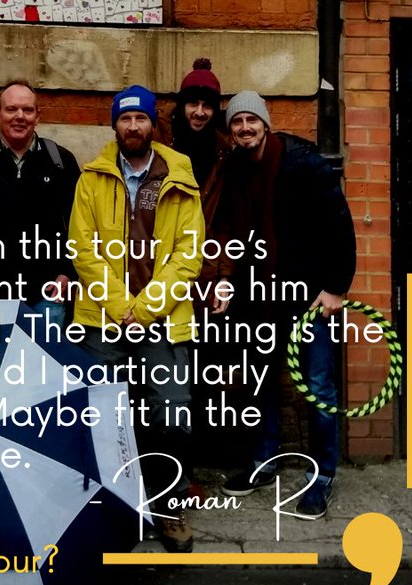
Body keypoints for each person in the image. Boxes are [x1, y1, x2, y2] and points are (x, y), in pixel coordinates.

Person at [69, 85, 205, 552]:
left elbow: (189, 256)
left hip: (162, 319)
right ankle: (111, 508)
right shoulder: (92, 178)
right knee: (102, 416)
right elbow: (82, 249)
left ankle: (169, 508)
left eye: (140, 119)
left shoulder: (180, 179)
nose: (133, 127)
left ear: (153, 125)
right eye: (125, 120)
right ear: (115, 125)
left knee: (172, 413)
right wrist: (119, 307)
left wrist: (143, 309)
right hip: (105, 320)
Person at [214, 91, 356, 519]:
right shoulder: (234, 169)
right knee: (261, 385)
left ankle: (323, 477)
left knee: (317, 389)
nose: (244, 129)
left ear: (265, 124)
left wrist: (335, 288)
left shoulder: (302, 162)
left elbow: (340, 226)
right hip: (259, 299)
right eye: (237, 122)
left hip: (308, 297)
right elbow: (228, 233)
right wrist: (225, 280)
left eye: (251, 121)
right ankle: (263, 461)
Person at [0, 80, 80, 318]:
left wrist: (66, 274)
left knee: (44, 356)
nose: (19, 116)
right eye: (11, 109)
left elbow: (79, 224)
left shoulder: (60, 160)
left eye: (27, 110)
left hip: (46, 294)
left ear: (37, 116)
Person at [170, 57, 232, 230]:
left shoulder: (223, 152)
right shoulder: (162, 142)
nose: (199, 112)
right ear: (182, 106)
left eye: (207, 106)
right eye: (193, 103)